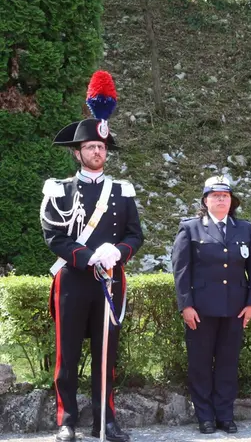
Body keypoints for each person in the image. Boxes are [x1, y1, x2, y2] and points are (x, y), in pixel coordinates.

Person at [40, 71, 143, 442]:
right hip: (73, 280)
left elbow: (136, 234)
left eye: (101, 148)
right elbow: (53, 235)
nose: (97, 152)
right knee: (67, 354)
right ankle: (66, 420)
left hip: (111, 281)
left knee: (105, 354)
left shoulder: (122, 191)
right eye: (90, 147)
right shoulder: (59, 190)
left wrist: (117, 251)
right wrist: (87, 256)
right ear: (77, 152)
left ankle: (105, 420)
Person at [172, 176, 251, 434]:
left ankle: (225, 414)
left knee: (227, 363)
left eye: (225, 195)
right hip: (200, 310)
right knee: (200, 364)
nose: (221, 199)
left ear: (231, 201)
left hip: (235, 308)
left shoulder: (244, 228)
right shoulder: (190, 228)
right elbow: (181, 271)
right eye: (215, 195)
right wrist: (185, 305)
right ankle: (205, 416)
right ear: (205, 200)